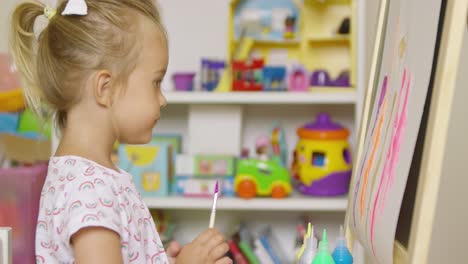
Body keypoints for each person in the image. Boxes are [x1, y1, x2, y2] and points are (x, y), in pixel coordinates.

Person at [10, 0, 231, 263]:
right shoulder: (89, 189)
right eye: (156, 82)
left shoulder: (88, 178)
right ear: (105, 88)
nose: (163, 99)